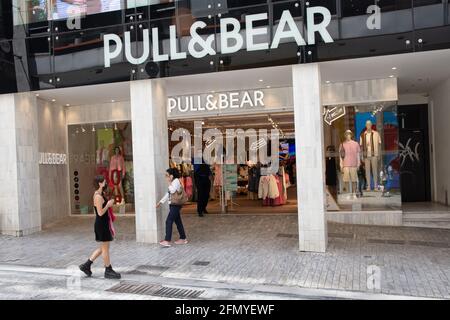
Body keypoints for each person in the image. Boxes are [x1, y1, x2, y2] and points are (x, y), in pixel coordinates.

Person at [79, 175, 121, 279]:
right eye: (104, 182)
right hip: (101, 225)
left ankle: (86, 265)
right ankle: (108, 270)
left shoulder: (100, 194)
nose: (106, 183)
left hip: (103, 224)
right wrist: (108, 205)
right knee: (105, 248)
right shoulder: (97, 196)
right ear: (100, 183)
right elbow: (100, 212)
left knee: (103, 248)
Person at [156, 168, 188, 247]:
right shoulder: (174, 182)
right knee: (178, 222)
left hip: (176, 205)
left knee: (169, 221)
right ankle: (183, 238)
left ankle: (167, 240)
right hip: (173, 204)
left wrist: (169, 182)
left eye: (167, 175)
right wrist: (160, 202)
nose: (166, 177)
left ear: (171, 176)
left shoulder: (176, 181)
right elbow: (168, 193)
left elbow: (172, 190)